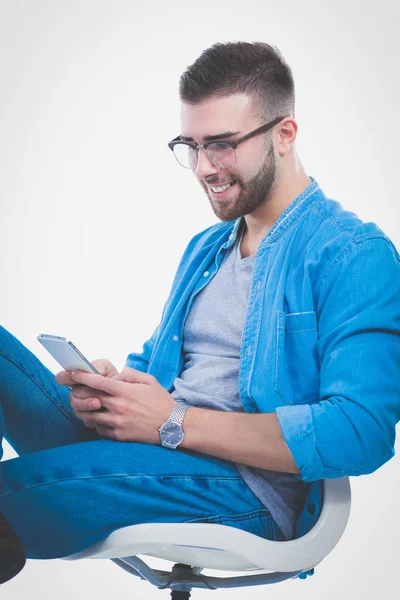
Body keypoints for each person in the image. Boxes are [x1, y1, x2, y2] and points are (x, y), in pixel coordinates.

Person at [1, 41, 399, 584]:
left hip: (245, 486)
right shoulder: (205, 249)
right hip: (155, 451)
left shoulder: (354, 255)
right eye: (191, 146)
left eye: (223, 145)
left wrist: (172, 423)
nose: (204, 167)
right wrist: (113, 393)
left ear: (285, 135)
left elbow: (361, 432)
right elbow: (161, 372)